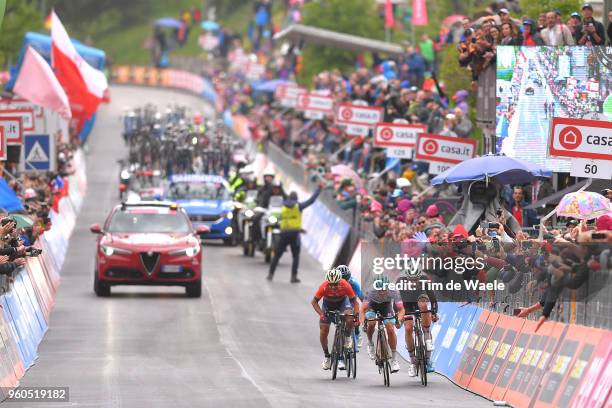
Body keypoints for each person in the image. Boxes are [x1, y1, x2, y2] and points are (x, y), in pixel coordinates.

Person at [267, 183, 322, 282]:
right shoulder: (299, 206)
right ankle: (293, 277)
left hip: (283, 233)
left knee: (277, 255)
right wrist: (318, 189)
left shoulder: (283, 206)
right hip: (294, 234)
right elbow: (311, 201)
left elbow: (279, 216)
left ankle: (270, 274)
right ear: (296, 199)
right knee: (295, 256)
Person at [311, 268, 359, 370]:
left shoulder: (345, 285)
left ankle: (347, 337)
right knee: (323, 331)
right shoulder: (324, 286)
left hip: (343, 303)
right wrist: (321, 314)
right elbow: (314, 302)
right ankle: (327, 356)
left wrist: (356, 315)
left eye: (335, 284)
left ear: (339, 281)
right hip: (328, 305)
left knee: (349, 318)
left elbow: (355, 302)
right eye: (331, 284)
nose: (333, 286)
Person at [397, 267, 438, 376]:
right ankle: (413, 362)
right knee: (408, 328)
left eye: (416, 280)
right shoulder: (401, 282)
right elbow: (397, 301)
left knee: (423, 304)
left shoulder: (424, 280)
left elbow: (433, 298)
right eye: (411, 280)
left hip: (420, 298)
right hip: (408, 305)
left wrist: (434, 313)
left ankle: (428, 359)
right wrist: (399, 315)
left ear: (420, 277)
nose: (414, 282)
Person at [360, 274, 404, 373]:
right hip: (372, 306)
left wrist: (399, 320)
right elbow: (362, 309)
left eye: (384, 290)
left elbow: (401, 309)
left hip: (386, 307)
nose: (382, 292)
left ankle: (394, 359)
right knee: (371, 323)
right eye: (379, 290)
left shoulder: (394, 291)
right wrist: (363, 322)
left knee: (390, 329)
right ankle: (370, 343)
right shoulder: (370, 292)